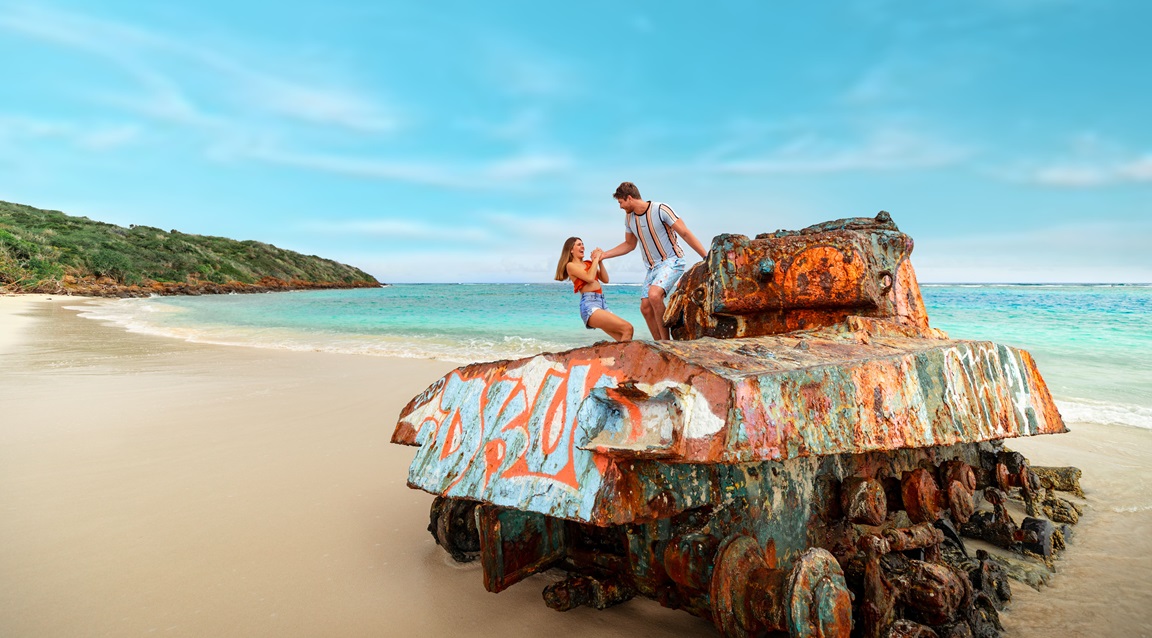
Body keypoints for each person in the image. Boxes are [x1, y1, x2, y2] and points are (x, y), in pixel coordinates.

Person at [598, 181, 708, 340]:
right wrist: (604, 255)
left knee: (654, 295)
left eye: (621, 202)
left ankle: (666, 343)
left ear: (629, 198)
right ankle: (657, 344)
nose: (620, 207)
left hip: (672, 260)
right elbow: (629, 244)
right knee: (645, 308)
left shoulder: (661, 209)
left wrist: (705, 256)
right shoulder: (629, 219)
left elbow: (684, 232)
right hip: (652, 268)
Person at [554, 237, 634, 342]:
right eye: (578, 244)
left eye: (582, 244)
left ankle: (621, 357)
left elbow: (605, 279)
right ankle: (625, 358)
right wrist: (595, 259)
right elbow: (590, 278)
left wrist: (600, 260)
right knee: (628, 328)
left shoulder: (588, 264)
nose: (582, 246)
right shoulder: (571, 266)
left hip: (602, 303)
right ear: (571, 250)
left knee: (621, 336)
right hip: (589, 305)